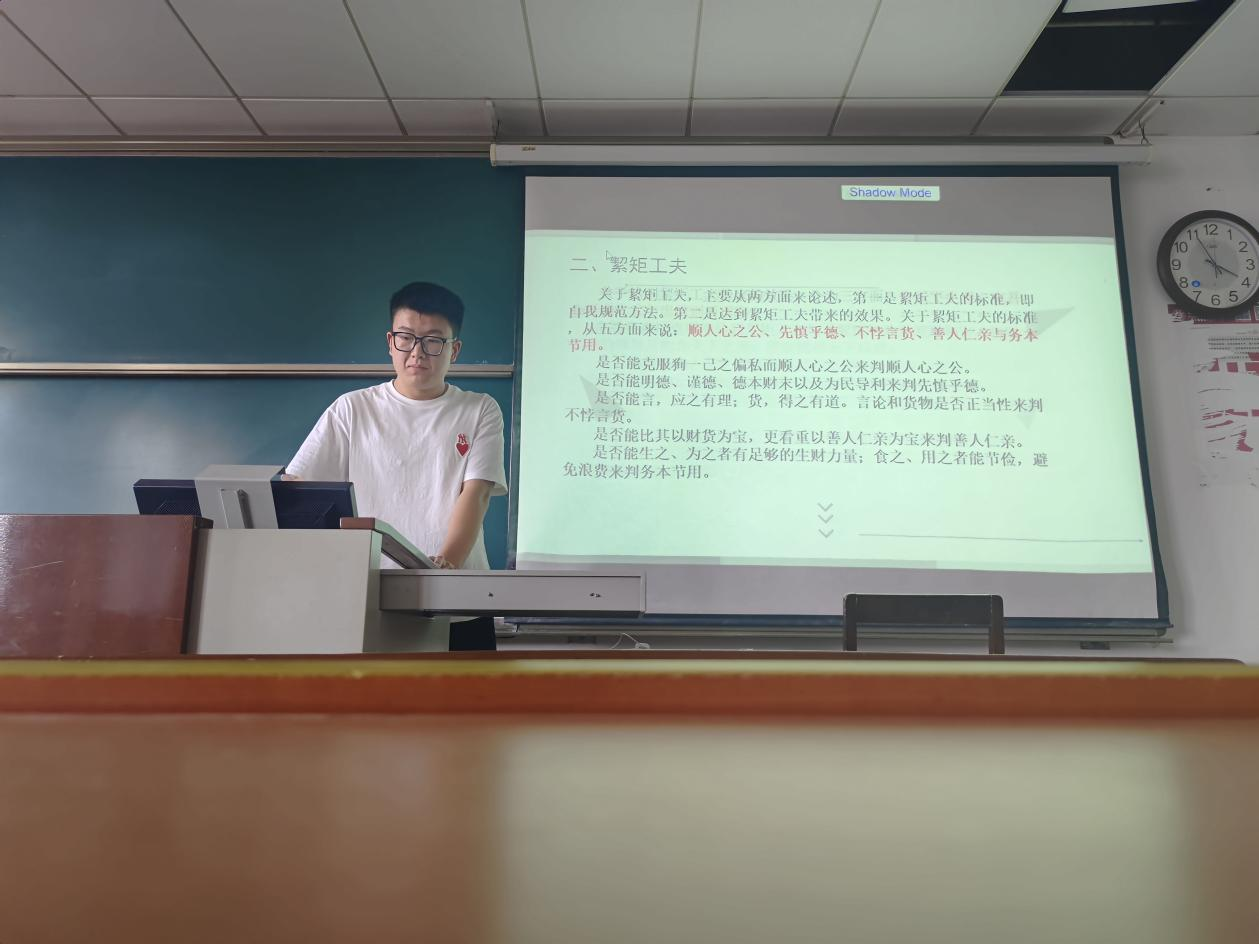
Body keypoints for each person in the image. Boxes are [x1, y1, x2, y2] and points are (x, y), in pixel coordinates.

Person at [285, 281, 507, 649]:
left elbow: (477, 493)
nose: (417, 352)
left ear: (454, 350)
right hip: (369, 598)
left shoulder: (479, 408)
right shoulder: (352, 409)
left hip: (458, 600)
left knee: (467, 687)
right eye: (406, 338)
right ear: (391, 342)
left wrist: (444, 568)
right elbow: (301, 488)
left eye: (433, 341)